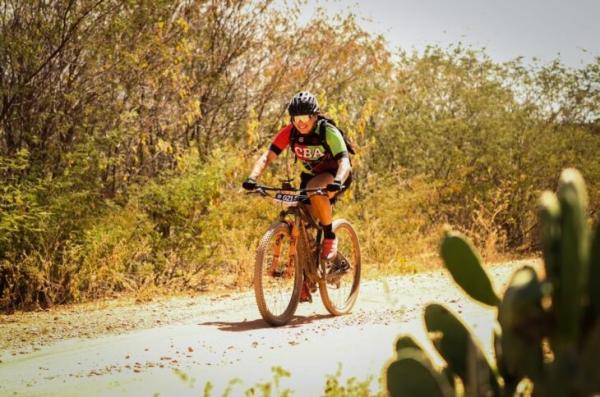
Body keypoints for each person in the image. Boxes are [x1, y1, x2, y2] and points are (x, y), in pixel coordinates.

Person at [242, 91, 352, 263]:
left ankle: (330, 236)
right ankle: (306, 281)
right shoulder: (290, 132)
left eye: (305, 118)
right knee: (302, 227)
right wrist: (252, 178)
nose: (301, 123)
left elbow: (345, 163)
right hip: (309, 177)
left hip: (336, 175)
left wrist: (337, 181)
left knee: (313, 189)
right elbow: (267, 157)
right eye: (296, 118)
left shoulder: (327, 131)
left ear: (315, 116)